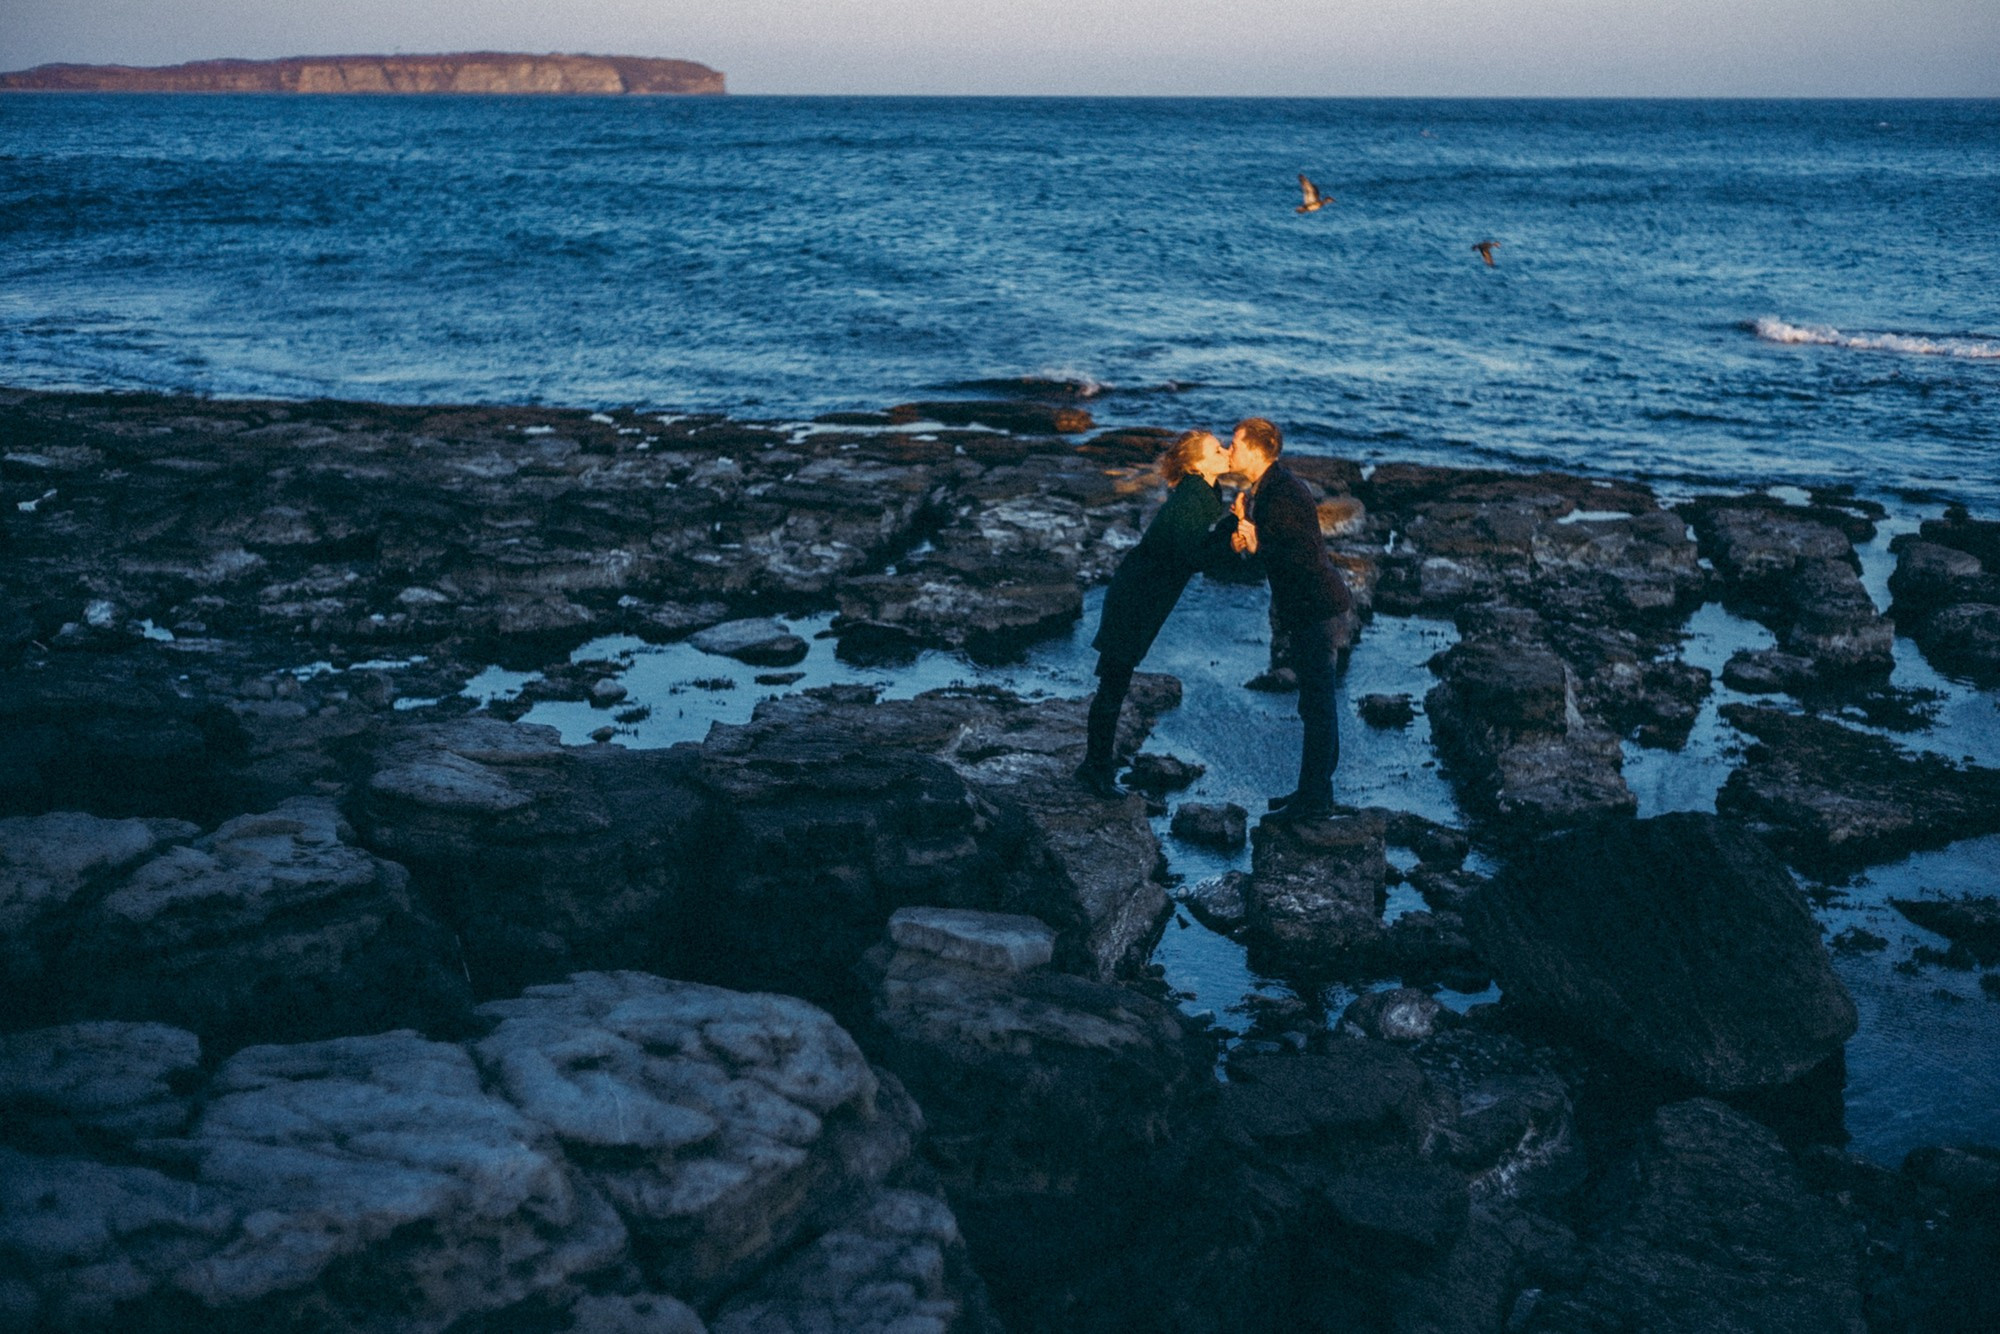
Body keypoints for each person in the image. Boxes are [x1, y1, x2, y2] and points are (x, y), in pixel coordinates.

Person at [1074, 429, 1243, 798]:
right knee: (1113, 684)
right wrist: (1232, 537)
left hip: (1143, 595)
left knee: (1114, 682)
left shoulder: (1203, 492)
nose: (1226, 451)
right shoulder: (1192, 497)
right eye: (1217, 449)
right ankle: (1094, 770)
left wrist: (1230, 523)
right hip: (1135, 598)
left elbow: (1192, 547)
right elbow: (1192, 558)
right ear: (1198, 465)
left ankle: (1095, 765)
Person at [1227, 417, 1352, 822]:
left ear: (1258, 450)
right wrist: (1248, 534)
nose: (1231, 451)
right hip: (1308, 609)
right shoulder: (1267, 489)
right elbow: (1274, 551)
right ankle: (1315, 793)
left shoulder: (1284, 491)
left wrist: (1257, 538)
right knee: (1315, 706)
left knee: (1317, 708)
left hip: (1316, 608)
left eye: (1236, 444)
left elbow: (1299, 556)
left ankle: (1313, 801)